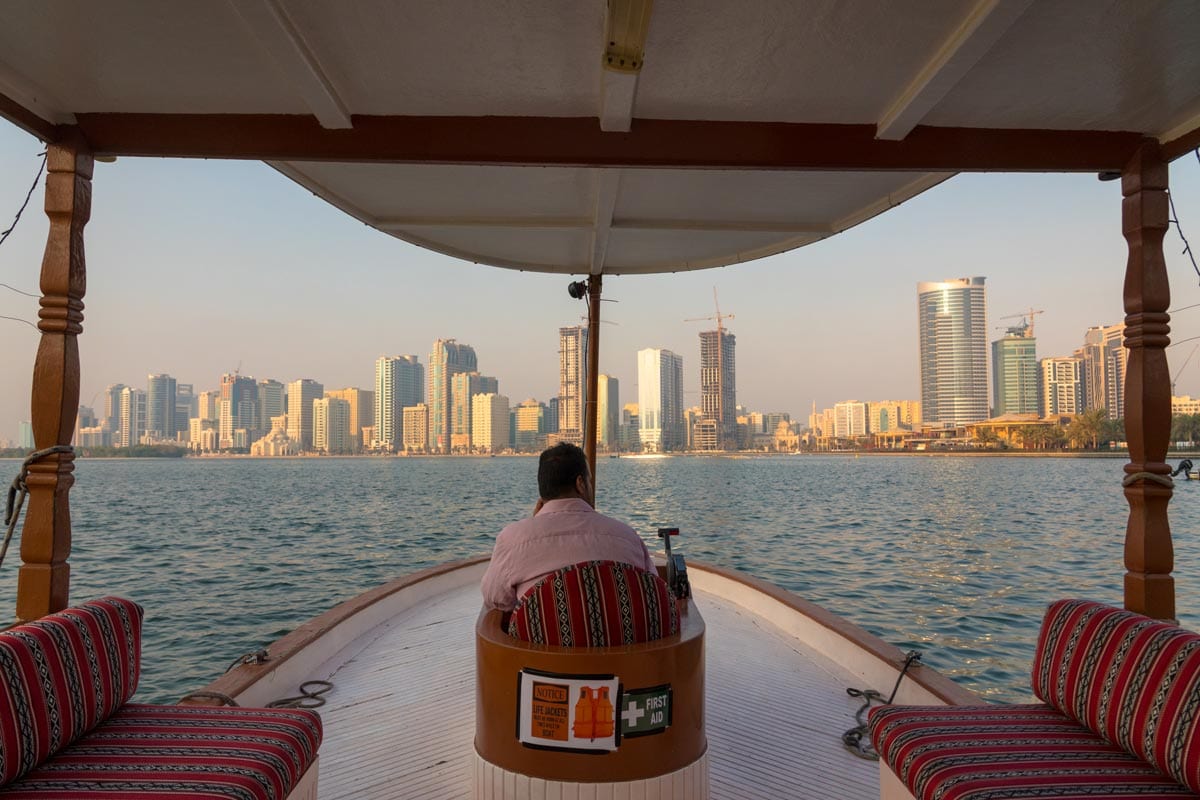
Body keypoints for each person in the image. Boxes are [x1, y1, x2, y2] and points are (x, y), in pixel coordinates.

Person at [480, 442, 654, 611]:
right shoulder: (628, 537)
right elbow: (653, 592)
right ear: (580, 484)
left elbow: (494, 598)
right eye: (589, 481)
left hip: (542, 640)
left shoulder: (513, 540)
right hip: (620, 639)